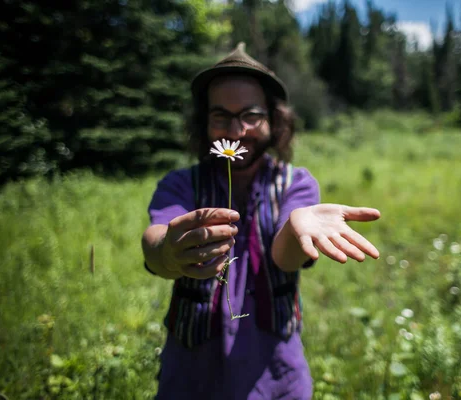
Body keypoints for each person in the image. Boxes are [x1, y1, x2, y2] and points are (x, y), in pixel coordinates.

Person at [141, 43, 381, 400]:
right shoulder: (181, 184)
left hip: (273, 371)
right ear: (203, 122)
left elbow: (284, 257)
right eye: (220, 116)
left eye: (251, 115)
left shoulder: (296, 185)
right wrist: (169, 253)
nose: (236, 132)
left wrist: (298, 225)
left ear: (274, 119)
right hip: (192, 371)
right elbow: (156, 241)